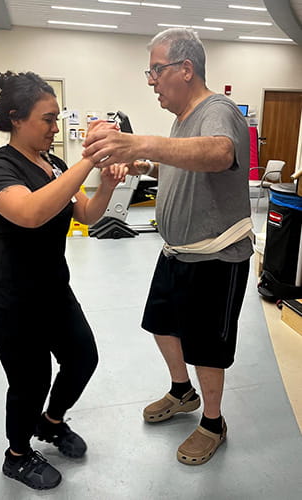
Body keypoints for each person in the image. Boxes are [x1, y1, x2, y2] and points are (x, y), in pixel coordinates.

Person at [83, 28, 253, 466]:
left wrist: (139, 141)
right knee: (161, 324)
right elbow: (184, 160)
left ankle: (213, 423)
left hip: (216, 256)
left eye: (156, 70)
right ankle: (182, 392)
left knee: (206, 348)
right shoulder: (182, 119)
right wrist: (143, 162)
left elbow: (218, 153)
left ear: (186, 69)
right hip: (177, 252)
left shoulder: (219, 110)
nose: (151, 80)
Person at [0, 71, 127, 490]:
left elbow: (85, 215)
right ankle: (17, 455)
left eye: (57, 118)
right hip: (7, 297)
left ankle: (50, 422)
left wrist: (107, 186)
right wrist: (89, 160)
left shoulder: (54, 163)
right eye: (48, 119)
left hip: (52, 290)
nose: (56, 128)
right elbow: (30, 213)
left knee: (83, 358)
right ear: (16, 118)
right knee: (31, 379)